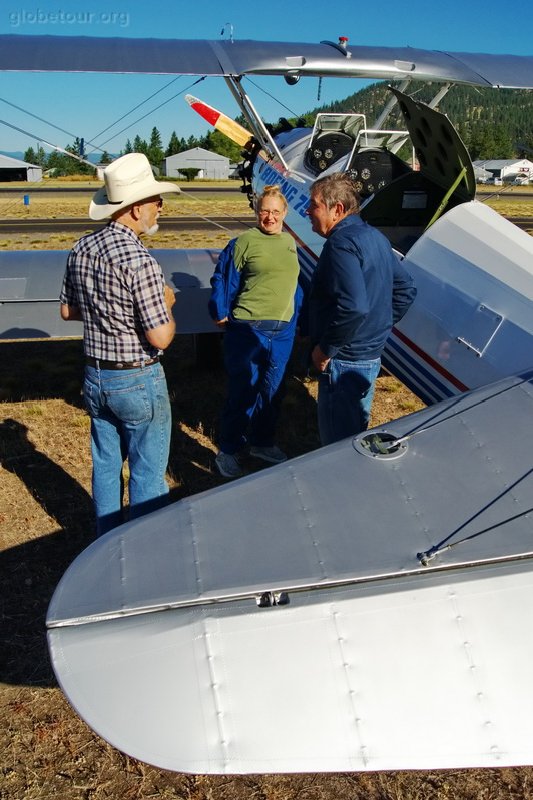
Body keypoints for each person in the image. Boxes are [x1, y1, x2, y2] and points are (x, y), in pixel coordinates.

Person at [59, 152, 179, 536]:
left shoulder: (81, 248)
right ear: (133, 209)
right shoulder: (140, 261)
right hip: (137, 378)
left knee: (107, 465)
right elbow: (160, 336)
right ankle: (144, 549)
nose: (160, 207)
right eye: (154, 200)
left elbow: (67, 311)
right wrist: (167, 305)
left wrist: (106, 315)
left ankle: (106, 541)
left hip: (95, 376)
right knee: (147, 472)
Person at [306, 172, 417, 446]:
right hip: (369, 357)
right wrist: (375, 330)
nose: (308, 211)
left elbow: (353, 307)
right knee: (357, 434)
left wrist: (325, 349)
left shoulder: (340, 244)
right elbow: (405, 290)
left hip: (343, 362)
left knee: (338, 447)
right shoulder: (374, 236)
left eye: (315, 205)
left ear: (338, 209)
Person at [209, 184, 302, 479]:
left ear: (285, 213)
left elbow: (295, 286)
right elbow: (224, 278)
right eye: (265, 211)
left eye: (276, 212)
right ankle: (228, 449)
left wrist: (299, 319)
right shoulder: (243, 242)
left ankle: (262, 443)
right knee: (242, 391)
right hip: (249, 329)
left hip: (283, 330)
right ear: (256, 212)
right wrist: (220, 312)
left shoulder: (291, 243)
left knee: (273, 391)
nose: (270, 217)